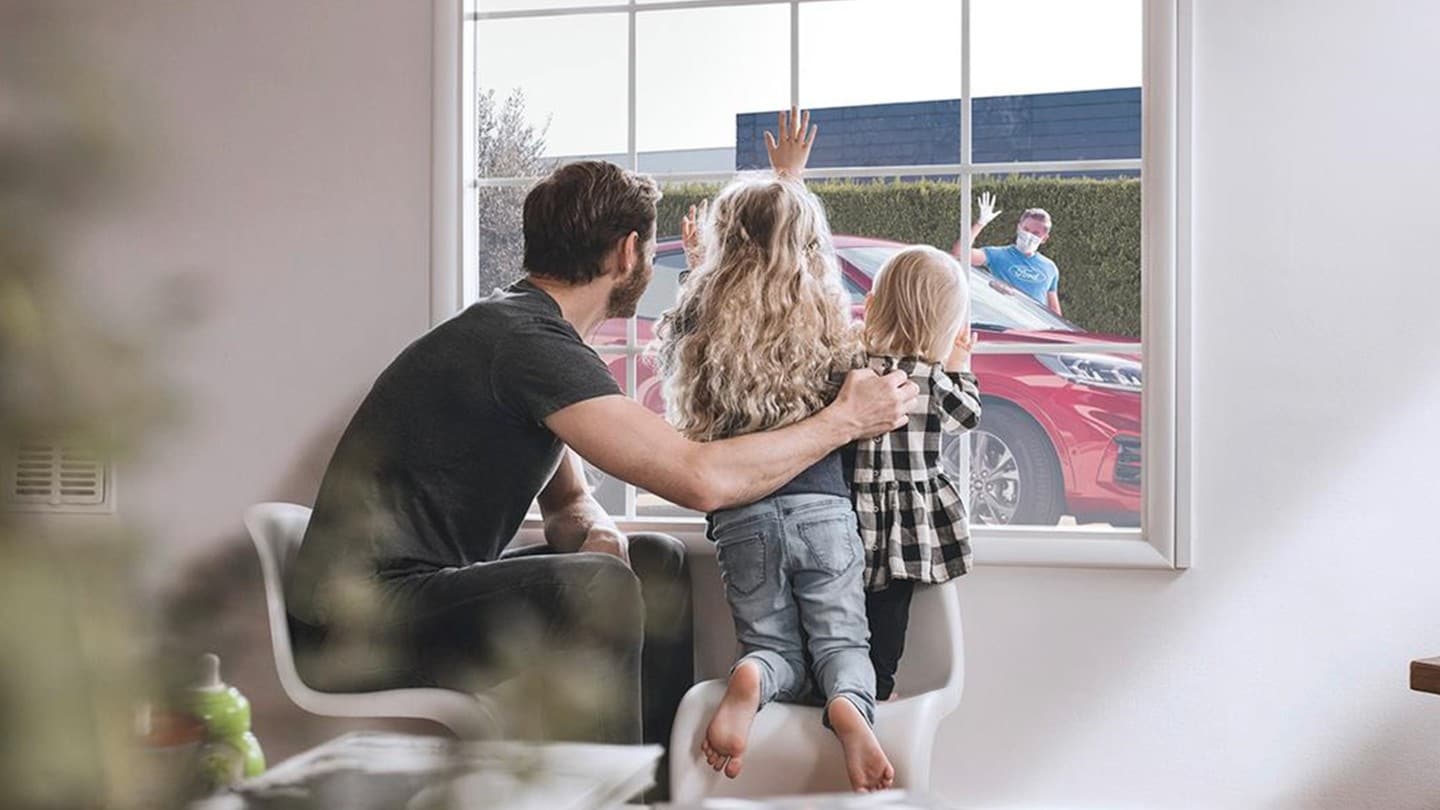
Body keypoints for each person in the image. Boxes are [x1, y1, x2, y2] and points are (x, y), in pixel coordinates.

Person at [283, 114, 918, 775]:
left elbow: (568, 503)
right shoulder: (528, 346)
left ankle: (656, 782)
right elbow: (698, 479)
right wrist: (845, 419)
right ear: (626, 254)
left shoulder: (527, 336)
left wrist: (597, 533)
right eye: (650, 248)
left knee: (653, 560)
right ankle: (607, 791)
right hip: (356, 622)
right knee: (600, 588)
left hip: (416, 593)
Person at [655, 108, 895, 793]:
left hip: (741, 520)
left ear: (722, 247)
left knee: (773, 647)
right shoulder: (822, 317)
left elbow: (697, 318)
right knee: (843, 646)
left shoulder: (704, 320)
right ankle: (849, 707)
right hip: (822, 512)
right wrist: (789, 188)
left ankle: (753, 677)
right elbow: (784, 253)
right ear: (808, 250)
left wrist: (704, 269)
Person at [851, 245, 982, 703]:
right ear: (946, 328)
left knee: (840, 611)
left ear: (874, 305)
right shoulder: (933, 378)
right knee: (889, 614)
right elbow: (966, 417)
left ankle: (834, 683)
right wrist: (959, 367)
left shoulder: (854, 368)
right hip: (909, 522)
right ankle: (878, 688)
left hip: (853, 511)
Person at [954, 192, 1063, 316]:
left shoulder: (1050, 268)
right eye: (1026, 229)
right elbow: (959, 254)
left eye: (1036, 233)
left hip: (1033, 329)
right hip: (1002, 325)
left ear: (1044, 238)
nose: (1028, 235)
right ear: (1018, 228)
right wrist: (980, 224)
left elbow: (1054, 312)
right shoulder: (997, 255)